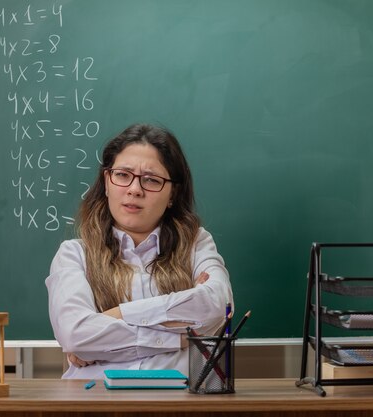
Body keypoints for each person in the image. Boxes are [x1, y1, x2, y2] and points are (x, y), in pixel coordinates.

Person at [45, 123, 233, 379]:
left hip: (181, 405)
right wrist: (180, 338)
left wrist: (116, 316)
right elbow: (76, 336)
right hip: (93, 403)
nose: (134, 189)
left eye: (151, 180)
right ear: (107, 182)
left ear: (172, 195)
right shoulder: (74, 255)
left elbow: (217, 306)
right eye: (123, 175)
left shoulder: (196, 245)